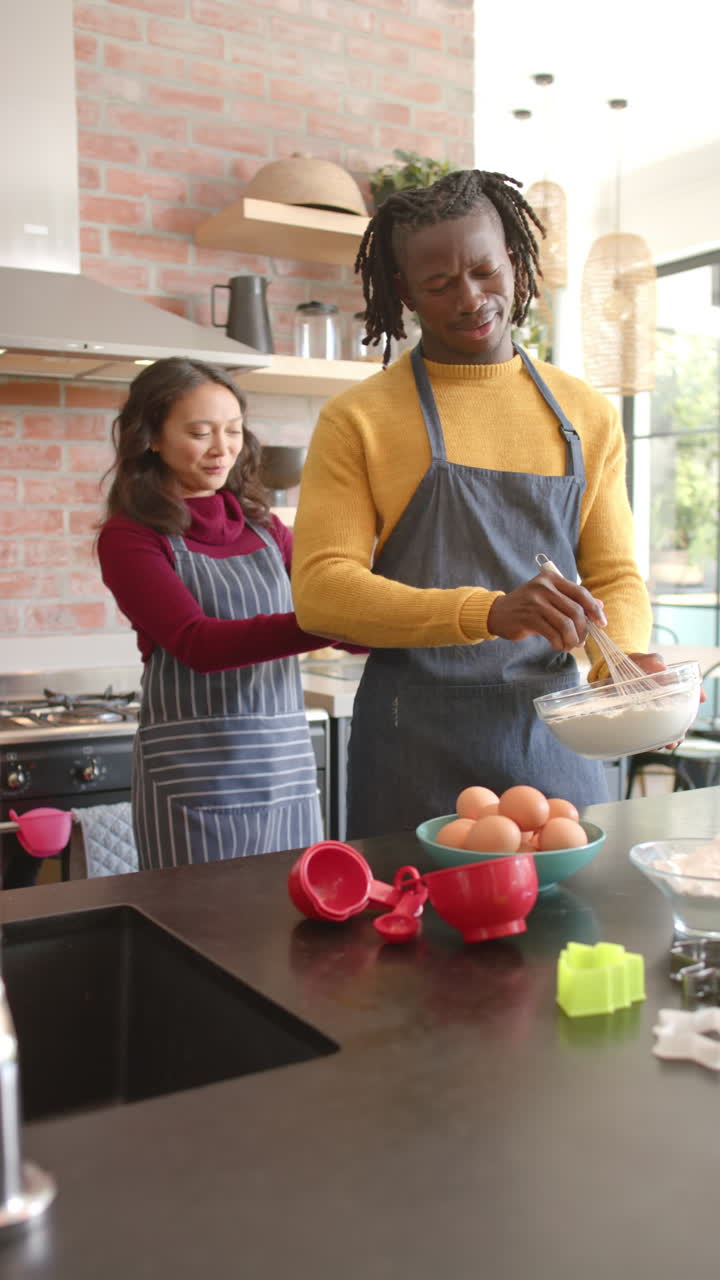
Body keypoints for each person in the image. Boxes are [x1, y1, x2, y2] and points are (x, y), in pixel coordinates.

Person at [291, 168, 660, 839]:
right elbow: (321, 590)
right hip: (413, 748)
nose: (471, 298)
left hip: (555, 739)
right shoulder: (360, 419)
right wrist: (490, 611)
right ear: (402, 290)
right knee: (414, 941)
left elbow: (613, 574)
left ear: (516, 263)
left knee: (572, 937)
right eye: (439, 284)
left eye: (486, 271)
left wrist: (623, 668)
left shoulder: (586, 415)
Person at [97, 357, 353, 870]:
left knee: (294, 931)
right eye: (200, 432)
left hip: (285, 771)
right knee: (202, 932)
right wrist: (333, 620)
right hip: (197, 776)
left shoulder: (266, 528)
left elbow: (333, 610)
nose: (222, 449)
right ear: (151, 438)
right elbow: (199, 644)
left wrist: (413, 620)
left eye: (233, 430)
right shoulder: (130, 537)